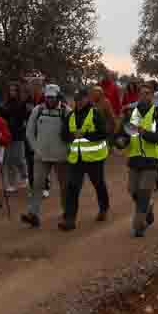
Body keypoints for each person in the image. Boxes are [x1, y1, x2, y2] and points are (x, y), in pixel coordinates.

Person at [113, 82, 158, 237]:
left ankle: (138, 225)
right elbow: (121, 134)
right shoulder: (131, 114)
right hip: (134, 159)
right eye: (142, 93)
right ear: (138, 96)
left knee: (143, 193)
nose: (144, 96)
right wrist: (121, 141)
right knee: (133, 191)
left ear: (152, 96)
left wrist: (144, 133)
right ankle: (149, 206)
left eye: (147, 93)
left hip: (152, 160)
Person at [60, 88, 110, 230]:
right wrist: (72, 135)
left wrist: (85, 135)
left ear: (87, 99)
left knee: (98, 184)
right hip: (76, 159)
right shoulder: (70, 116)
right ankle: (69, 219)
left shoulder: (95, 114)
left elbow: (103, 133)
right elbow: (63, 135)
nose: (79, 102)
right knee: (72, 187)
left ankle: (104, 208)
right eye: (76, 100)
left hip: (95, 158)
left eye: (81, 99)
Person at [21, 84, 68, 228]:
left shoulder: (66, 111)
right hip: (41, 156)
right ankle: (33, 214)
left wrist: (70, 150)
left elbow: (72, 132)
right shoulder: (38, 110)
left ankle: (67, 213)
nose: (50, 100)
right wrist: (36, 148)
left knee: (64, 186)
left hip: (61, 156)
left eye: (52, 97)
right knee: (37, 185)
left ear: (58, 96)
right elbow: (29, 132)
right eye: (48, 97)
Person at [1, 82, 30, 194]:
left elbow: (25, 116)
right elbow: (3, 116)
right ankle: (12, 184)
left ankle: (24, 176)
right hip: (7, 135)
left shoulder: (22, 104)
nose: (12, 92)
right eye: (10, 90)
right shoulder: (6, 104)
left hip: (18, 135)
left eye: (14, 90)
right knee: (8, 160)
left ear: (18, 92)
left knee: (18, 158)